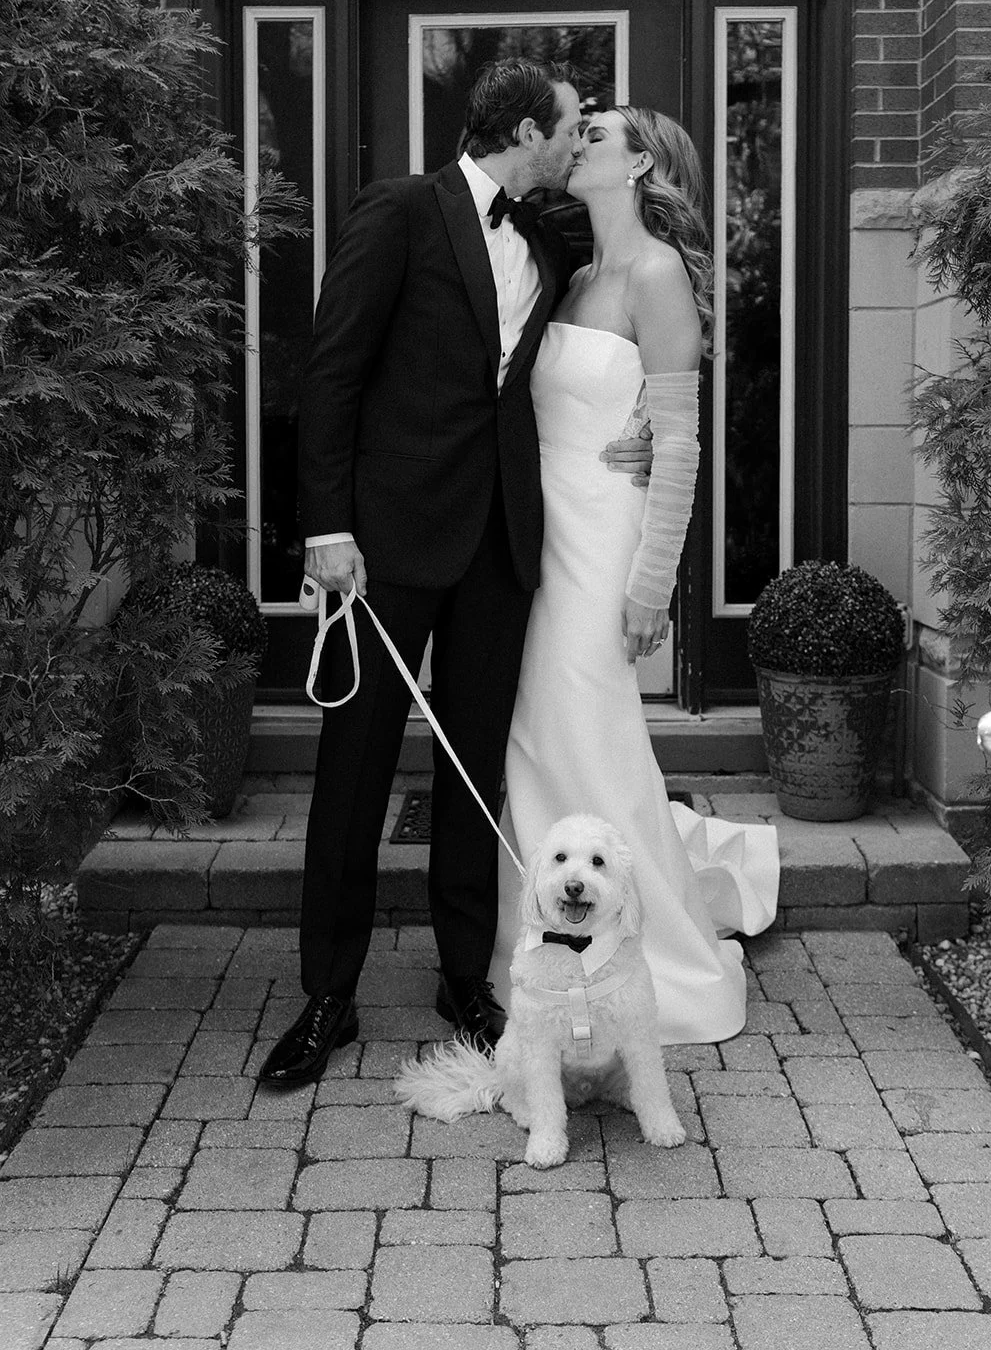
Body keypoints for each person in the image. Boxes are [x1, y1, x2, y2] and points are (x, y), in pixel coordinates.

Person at [259, 59, 652, 1086]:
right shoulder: (398, 211)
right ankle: (327, 994)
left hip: (500, 545)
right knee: (354, 770)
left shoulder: (552, 234)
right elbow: (329, 373)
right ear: (525, 128)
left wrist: (657, 419)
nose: (575, 147)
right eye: (567, 130)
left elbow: (646, 273)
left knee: (474, 767)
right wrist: (325, 529)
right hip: (384, 544)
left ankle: (463, 979)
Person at [490, 105, 780, 1045]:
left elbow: (682, 442)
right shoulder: (573, 275)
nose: (579, 145)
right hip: (541, 533)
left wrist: (651, 586)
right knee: (535, 739)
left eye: (598, 137)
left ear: (641, 163)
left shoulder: (656, 276)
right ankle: (539, 948)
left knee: (591, 734)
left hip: (605, 540)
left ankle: (661, 964)